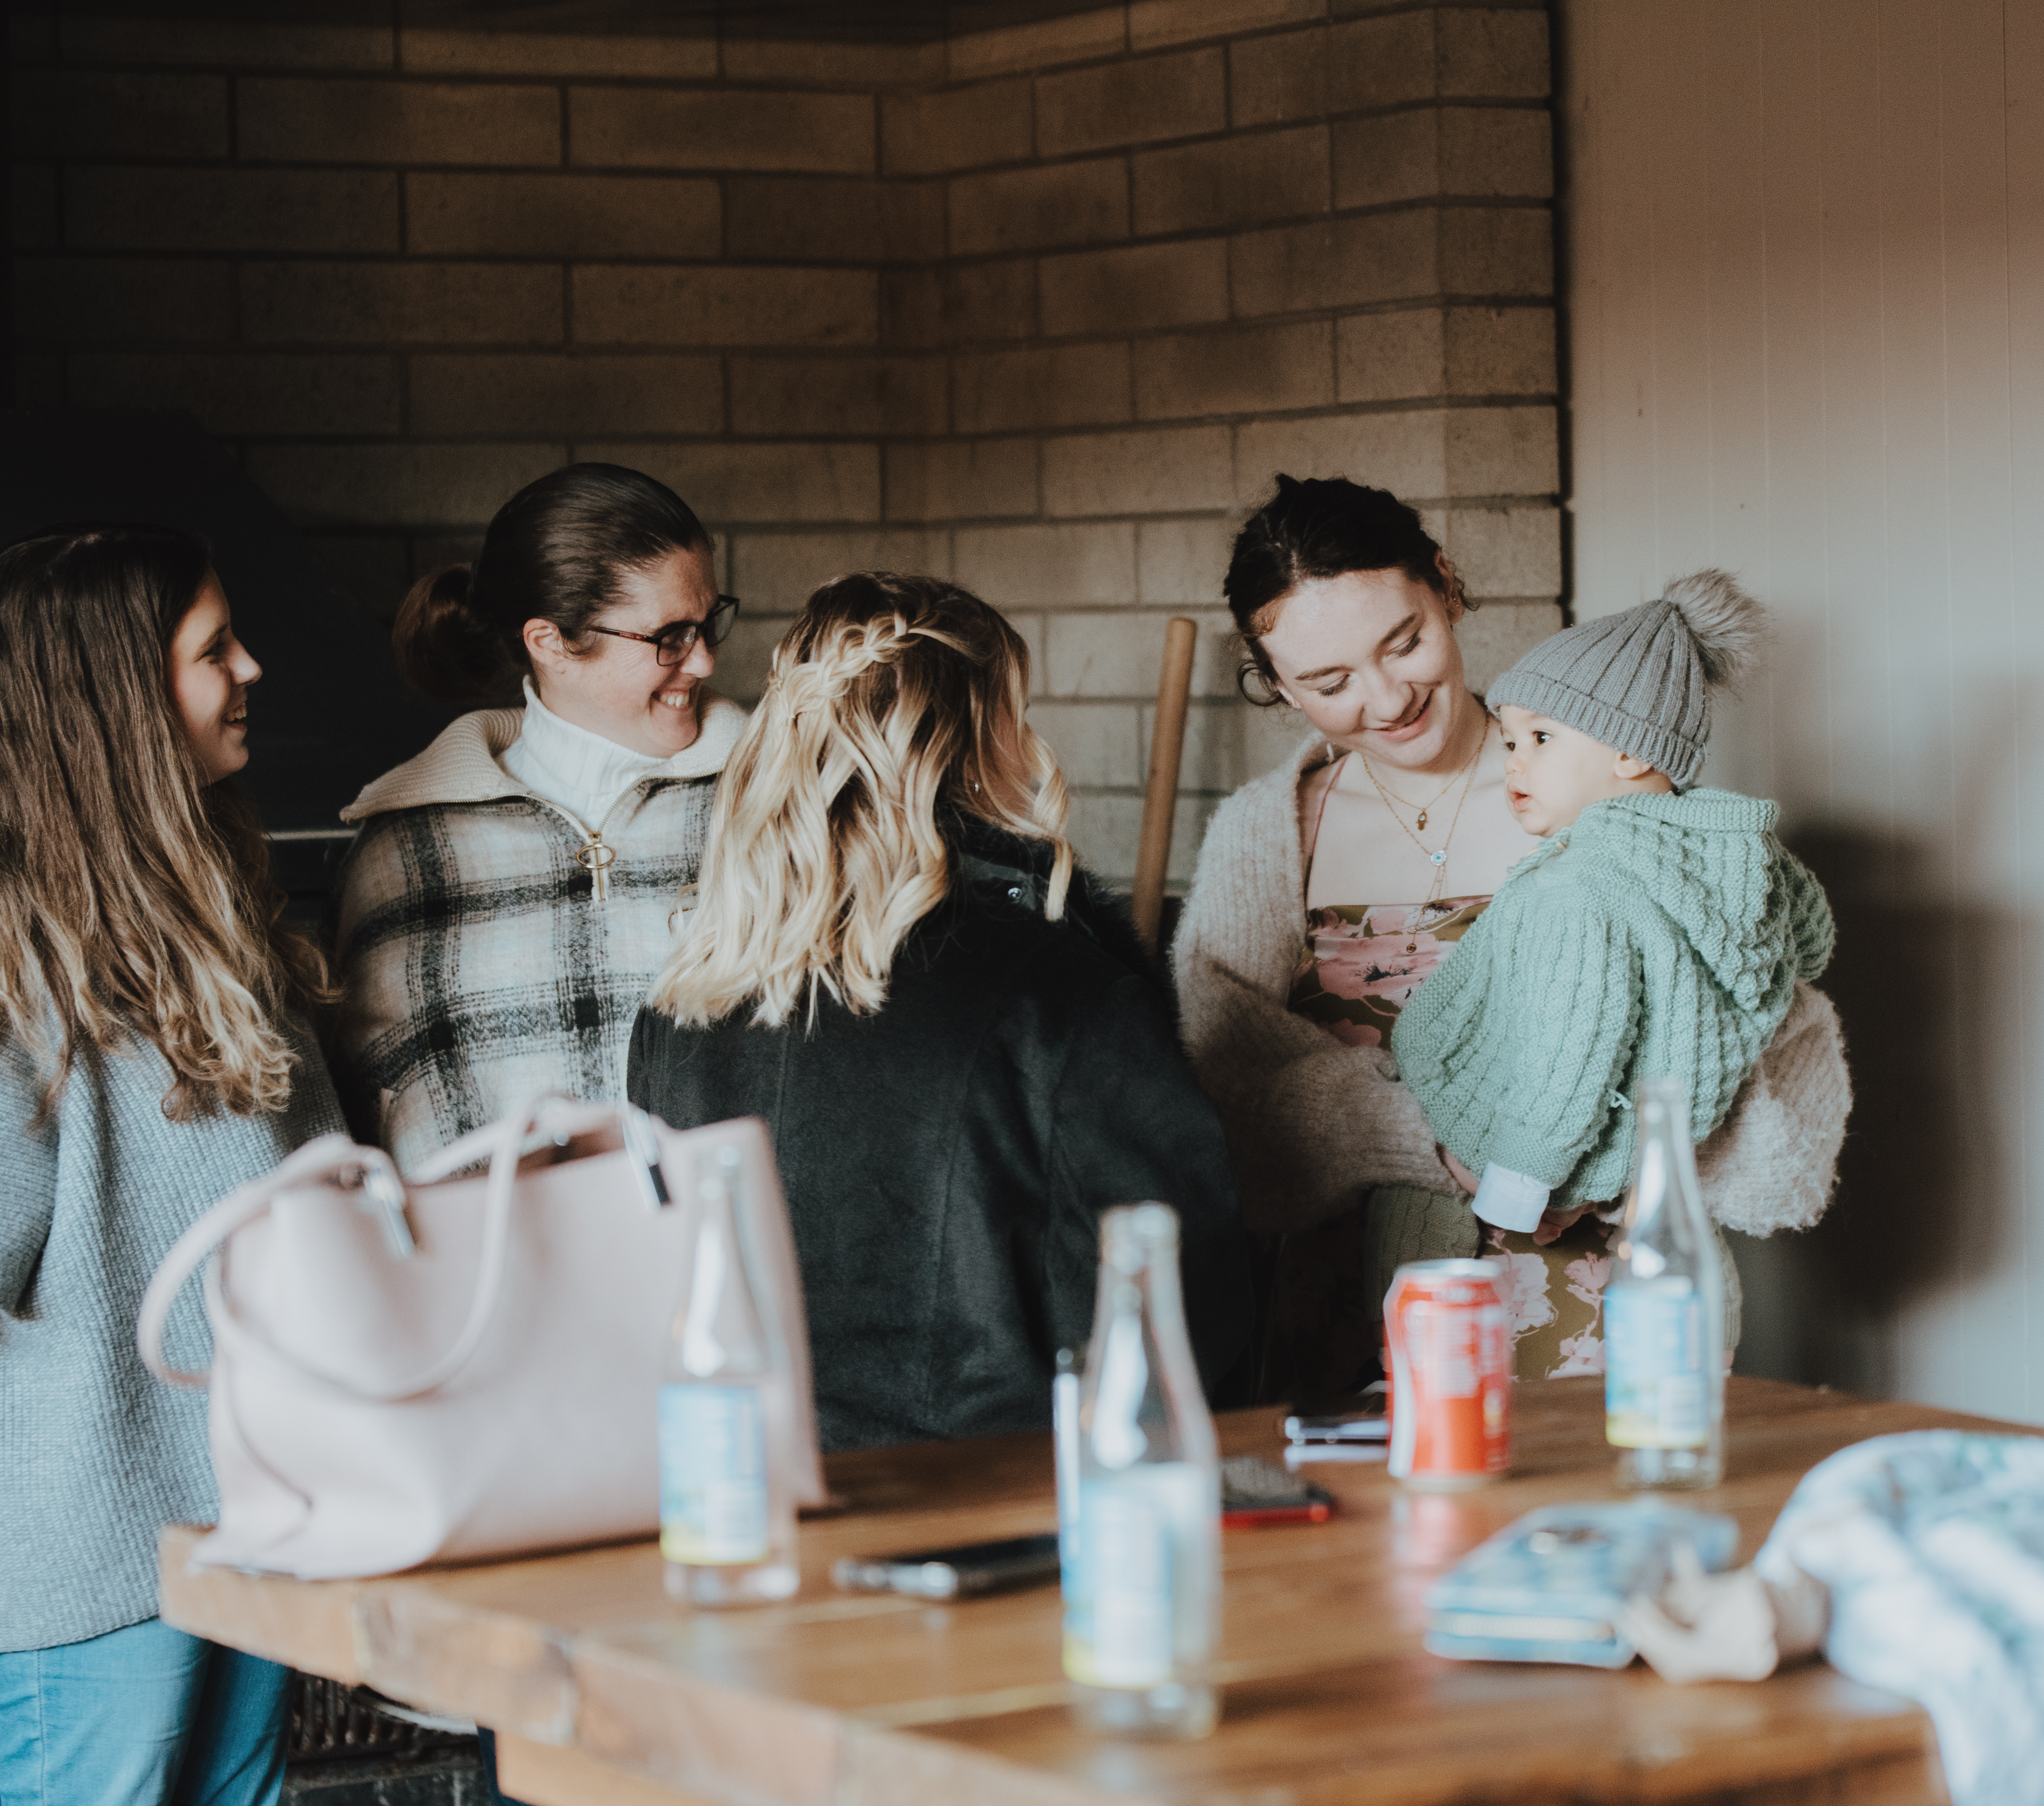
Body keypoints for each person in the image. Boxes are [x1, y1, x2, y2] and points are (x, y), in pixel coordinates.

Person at [1172, 475, 1850, 1398]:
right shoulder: (1267, 832)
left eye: (1402, 641)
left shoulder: (1605, 799)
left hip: (1611, 1311)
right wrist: (1426, 1140)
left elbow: (1757, 1048)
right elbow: (1211, 1097)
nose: (1384, 698)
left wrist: (1607, 1155)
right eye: (1328, 682)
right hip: (1359, 1317)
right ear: (1278, 686)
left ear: (1445, 588)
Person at [0, 524, 344, 1806]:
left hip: (244, 1515)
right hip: (90, 1550)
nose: (250, 668)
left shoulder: (208, 929)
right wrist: (47, 1463)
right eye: (211, 649)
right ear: (117, 704)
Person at [628, 573, 1249, 1451]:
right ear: (983, 733)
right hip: (999, 1516)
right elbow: (1177, 1305)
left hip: (751, 1493)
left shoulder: (681, 1009)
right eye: (1015, 711)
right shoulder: (1062, 991)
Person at [1394, 574, 1838, 1249]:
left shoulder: (1579, 887)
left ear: (1631, 753)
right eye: (1510, 743)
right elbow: (1812, 944)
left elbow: (1567, 1059)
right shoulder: (1734, 849)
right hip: (1652, 1162)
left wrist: (1514, 1193)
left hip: (1538, 1173)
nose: (1515, 766)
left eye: (1541, 739)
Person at [334, 464, 745, 1169]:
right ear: (550, 643)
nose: (703, 660)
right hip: (496, 1268)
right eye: (670, 636)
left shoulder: (770, 806)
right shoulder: (401, 852)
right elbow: (383, 1116)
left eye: (708, 625)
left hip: (733, 1257)